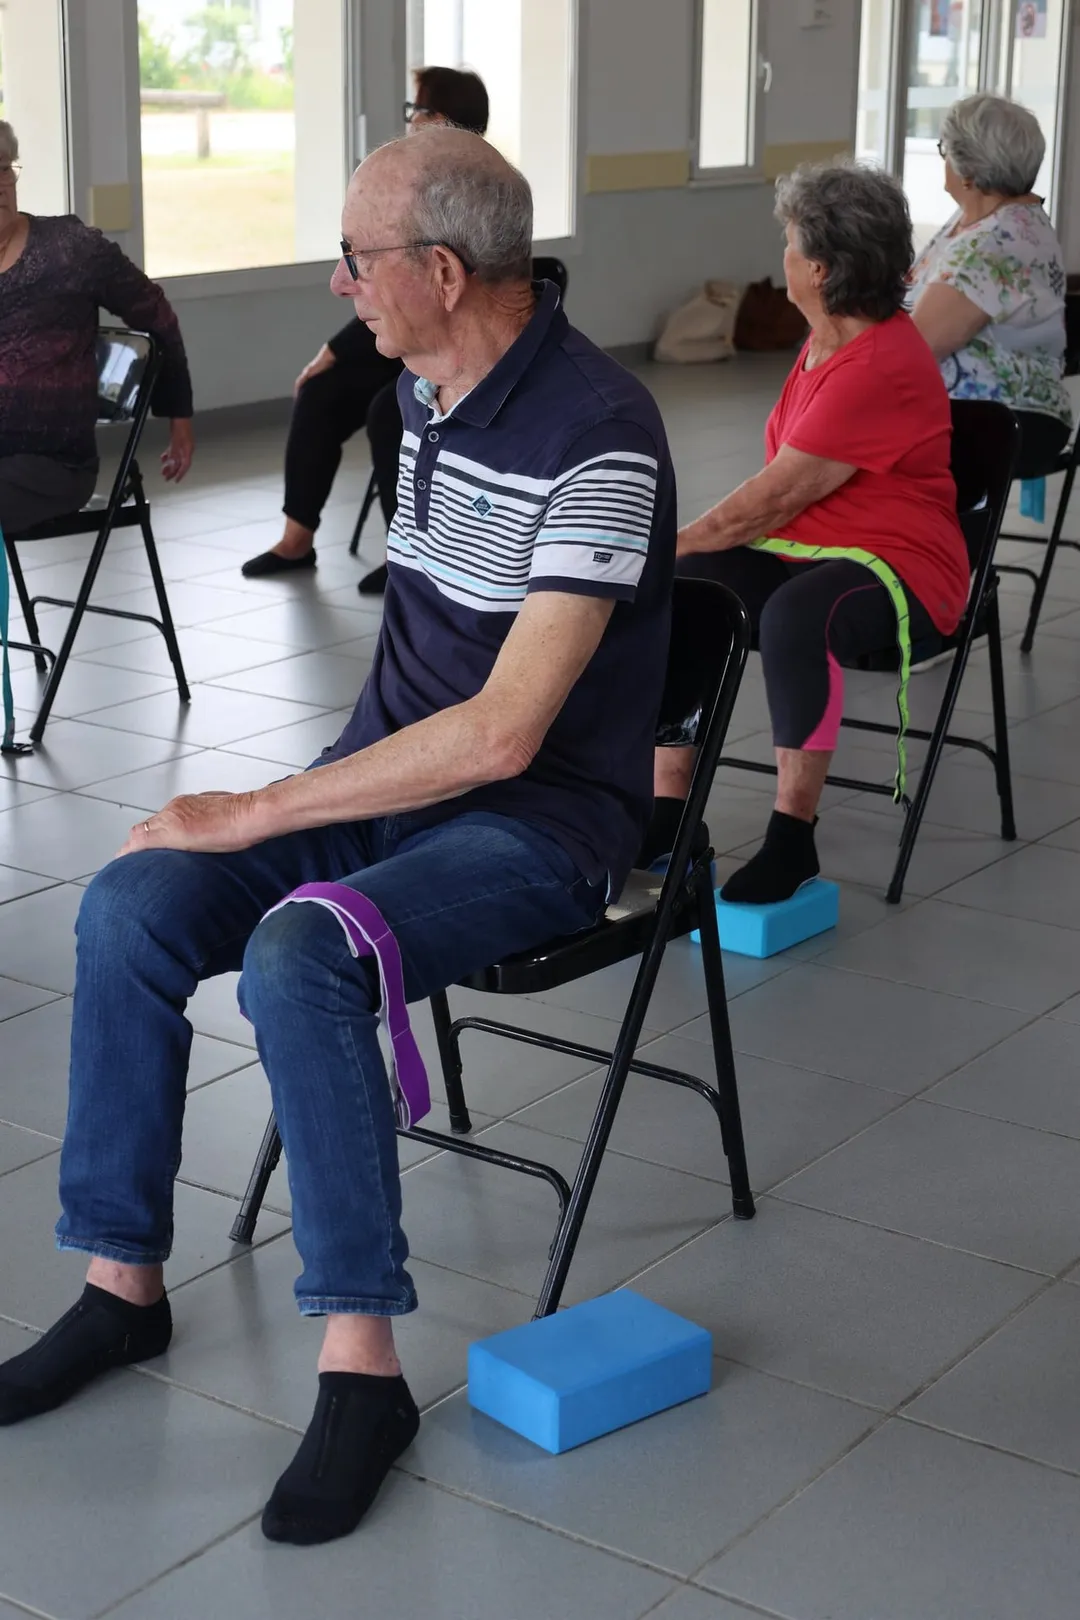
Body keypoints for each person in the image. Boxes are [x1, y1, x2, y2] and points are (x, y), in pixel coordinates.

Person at [0, 127, 675, 1548]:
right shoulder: (423, 389)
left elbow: (502, 735)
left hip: (540, 825)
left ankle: (362, 1369)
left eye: (357, 258)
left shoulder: (601, 432)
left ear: (444, 271)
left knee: (300, 953)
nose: (339, 280)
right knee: (130, 902)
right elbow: (418, 684)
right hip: (387, 794)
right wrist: (292, 806)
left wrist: (256, 810)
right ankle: (121, 1285)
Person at [643, 163, 967, 905]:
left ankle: (793, 838)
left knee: (795, 617)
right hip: (808, 545)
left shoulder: (876, 363)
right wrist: (676, 559)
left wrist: (662, 544)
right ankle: (668, 813)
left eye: (790, 243)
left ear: (818, 269)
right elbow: (780, 503)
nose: (782, 255)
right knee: (685, 590)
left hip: (903, 565)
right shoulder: (826, 337)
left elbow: (765, 502)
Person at [241, 66, 489, 587]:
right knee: (321, 392)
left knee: (388, 411)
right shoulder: (413, 186)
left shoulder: (477, 195)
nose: (411, 120)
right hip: (407, 336)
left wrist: (333, 348)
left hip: (454, 347)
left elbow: (432, 295)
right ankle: (296, 539)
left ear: (444, 120)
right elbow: (387, 285)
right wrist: (333, 352)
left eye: (418, 110)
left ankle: (409, 553)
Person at [0, 120, 193, 536]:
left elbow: (156, 313)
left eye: (3, 168)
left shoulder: (69, 250)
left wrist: (179, 415)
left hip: (54, 466)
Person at [909, 93, 1071, 477]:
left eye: (944, 150)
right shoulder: (988, 216)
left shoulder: (993, 243)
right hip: (985, 412)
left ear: (969, 173)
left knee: (850, 425)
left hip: (1001, 419)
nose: (943, 159)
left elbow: (914, 349)